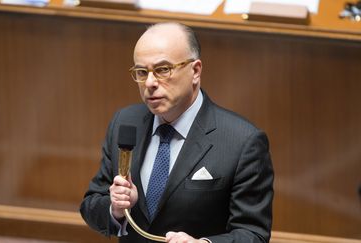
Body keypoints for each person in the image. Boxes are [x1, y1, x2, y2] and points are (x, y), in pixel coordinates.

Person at [80, 22, 274, 243]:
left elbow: (254, 235)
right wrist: (116, 208)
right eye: (142, 72)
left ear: (195, 71)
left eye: (163, 70)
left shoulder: (242, 142)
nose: (150, 83)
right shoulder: (125, 122)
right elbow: (91, 205)